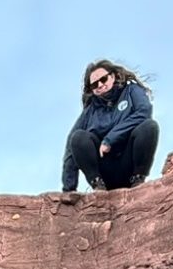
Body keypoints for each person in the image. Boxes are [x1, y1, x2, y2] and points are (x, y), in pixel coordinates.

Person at [61, 60, 159, 192]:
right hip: (106, 170)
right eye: (95, 84)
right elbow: (70, 147)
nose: (100, 85)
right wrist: (69, 188)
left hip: (128, 162)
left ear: (112, 77)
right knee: (78, 137)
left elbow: (144, 112)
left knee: (149, 126)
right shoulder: (90, 111)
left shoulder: (132, 91)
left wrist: (110, 139)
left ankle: (138, 179)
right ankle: (98, 185)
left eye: (103, 79)